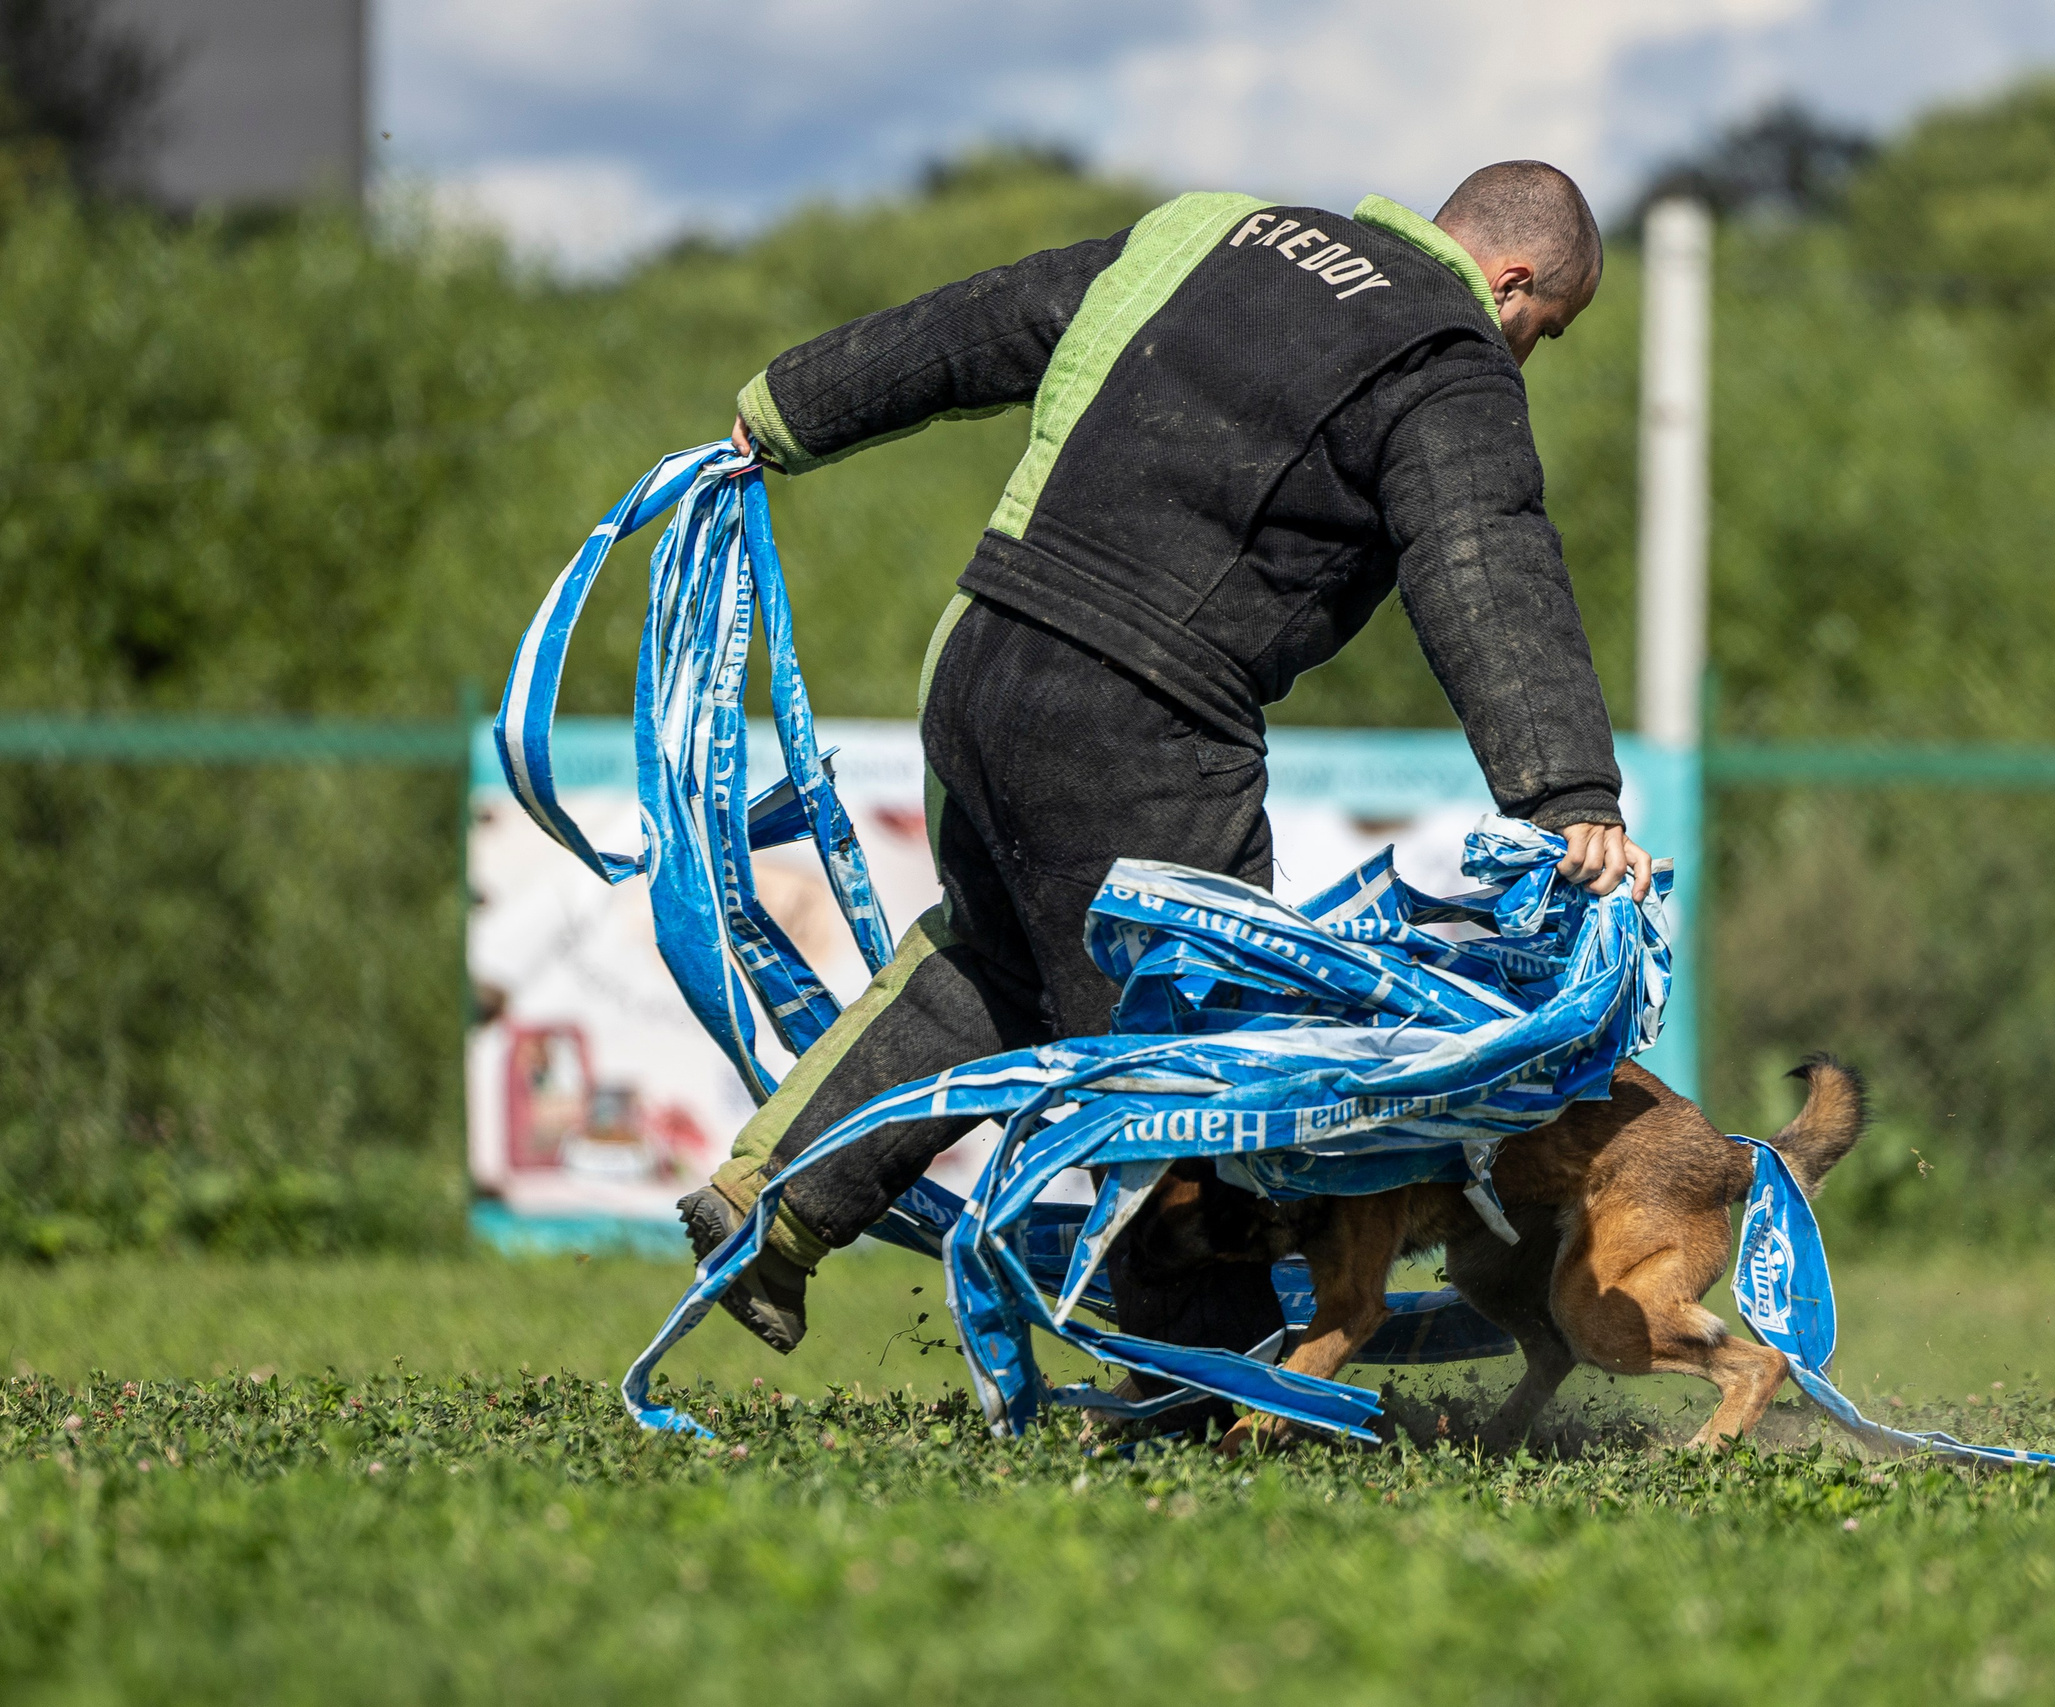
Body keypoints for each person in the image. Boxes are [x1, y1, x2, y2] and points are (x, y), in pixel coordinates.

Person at [679, 160, 1653, 1406]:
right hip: (1140, 714)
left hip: (983, 655)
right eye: (1545, 332)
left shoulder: (1220, 234)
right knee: (1195, 1059)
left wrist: (789, 406)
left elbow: (986, 322)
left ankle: (776, 1203)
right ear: (1512, 280)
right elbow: (1485, 559)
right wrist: (1567, 793)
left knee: (998, 961)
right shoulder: (1447, 357)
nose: (1527, 355)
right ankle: (1206, 1396)